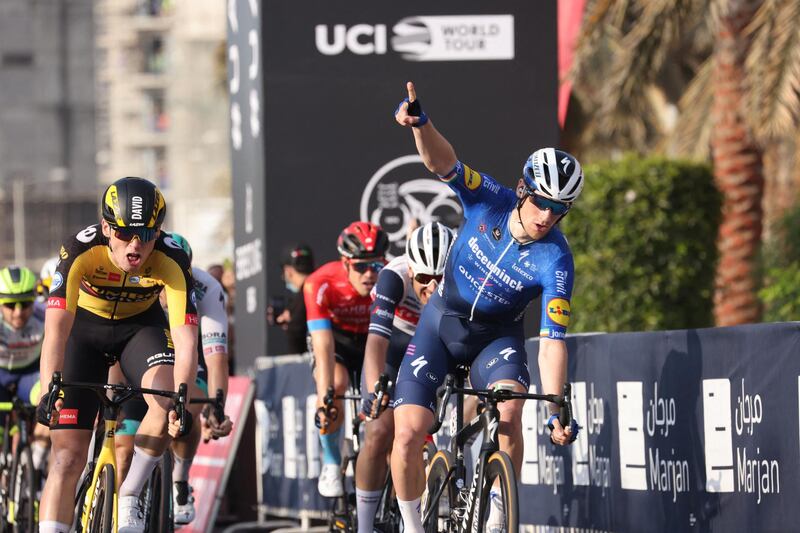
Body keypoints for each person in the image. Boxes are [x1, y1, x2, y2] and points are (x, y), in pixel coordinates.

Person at [391, 82, 582, 533]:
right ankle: (413, 527)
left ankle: (498, 514)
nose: (546, 217)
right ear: (523, 190)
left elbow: (553, 341)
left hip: (495, 339)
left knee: (512, 411)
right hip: (441, 325)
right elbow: (444, 163)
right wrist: (422, 125)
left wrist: (556, 408)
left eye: (560, 210)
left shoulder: (556, 259)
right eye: (541, 202)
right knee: (406, 436)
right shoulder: (489, 199)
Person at [36, 176, 198, 533]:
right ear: (106, 228)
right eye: (125, 234)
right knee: (66, 457)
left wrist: (183, 397)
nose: (136, 247)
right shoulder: (79, 249)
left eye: (147, 234)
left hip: (140, 330)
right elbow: (56, 331)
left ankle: (130, 495)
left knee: (168, 397)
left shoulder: (173, 256)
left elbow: (186, 340)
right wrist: (51, 387)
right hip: (84, 331)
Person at [113, 232, 232, 526]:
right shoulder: (139, 277)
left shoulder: (207, 288)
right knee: (123, 449)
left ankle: (180, 479)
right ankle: (115, 516)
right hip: (141, 355)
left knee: (187, 405)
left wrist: (217, 407)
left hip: (186, 357)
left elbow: (216, 356)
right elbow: (114, 342)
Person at [354, 222, 453, 533]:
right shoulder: (393, 277)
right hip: (393, 351)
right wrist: (373, 392)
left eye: (442, 279)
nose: (434, 288)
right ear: (412, 271)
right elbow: (376, 343)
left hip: (434, 348)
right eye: (425, 279)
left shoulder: (462, 275)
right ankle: (365, 526)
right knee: (379, 431)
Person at [304, 221, 388, 497]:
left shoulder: (391, 276)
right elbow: (322, 344)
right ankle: (330, 460)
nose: (369, 275)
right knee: (335, 385)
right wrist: (325, 394)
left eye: (375, 266)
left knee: (386, 395)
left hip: (373, 339)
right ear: (345, 263)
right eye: (360, 267)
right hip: (336, 339)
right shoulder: (320, 282)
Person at [0, 266, 50, 470]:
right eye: (11, 305)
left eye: (26, 303)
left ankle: (32, 467)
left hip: (29, 375)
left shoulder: (45, 315)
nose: (19, 312)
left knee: (53, 398)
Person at [267, 244, 315, 354]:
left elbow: (297, 335)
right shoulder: (321, 289)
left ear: (288, 271)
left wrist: (292, 323)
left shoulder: (307, 295)